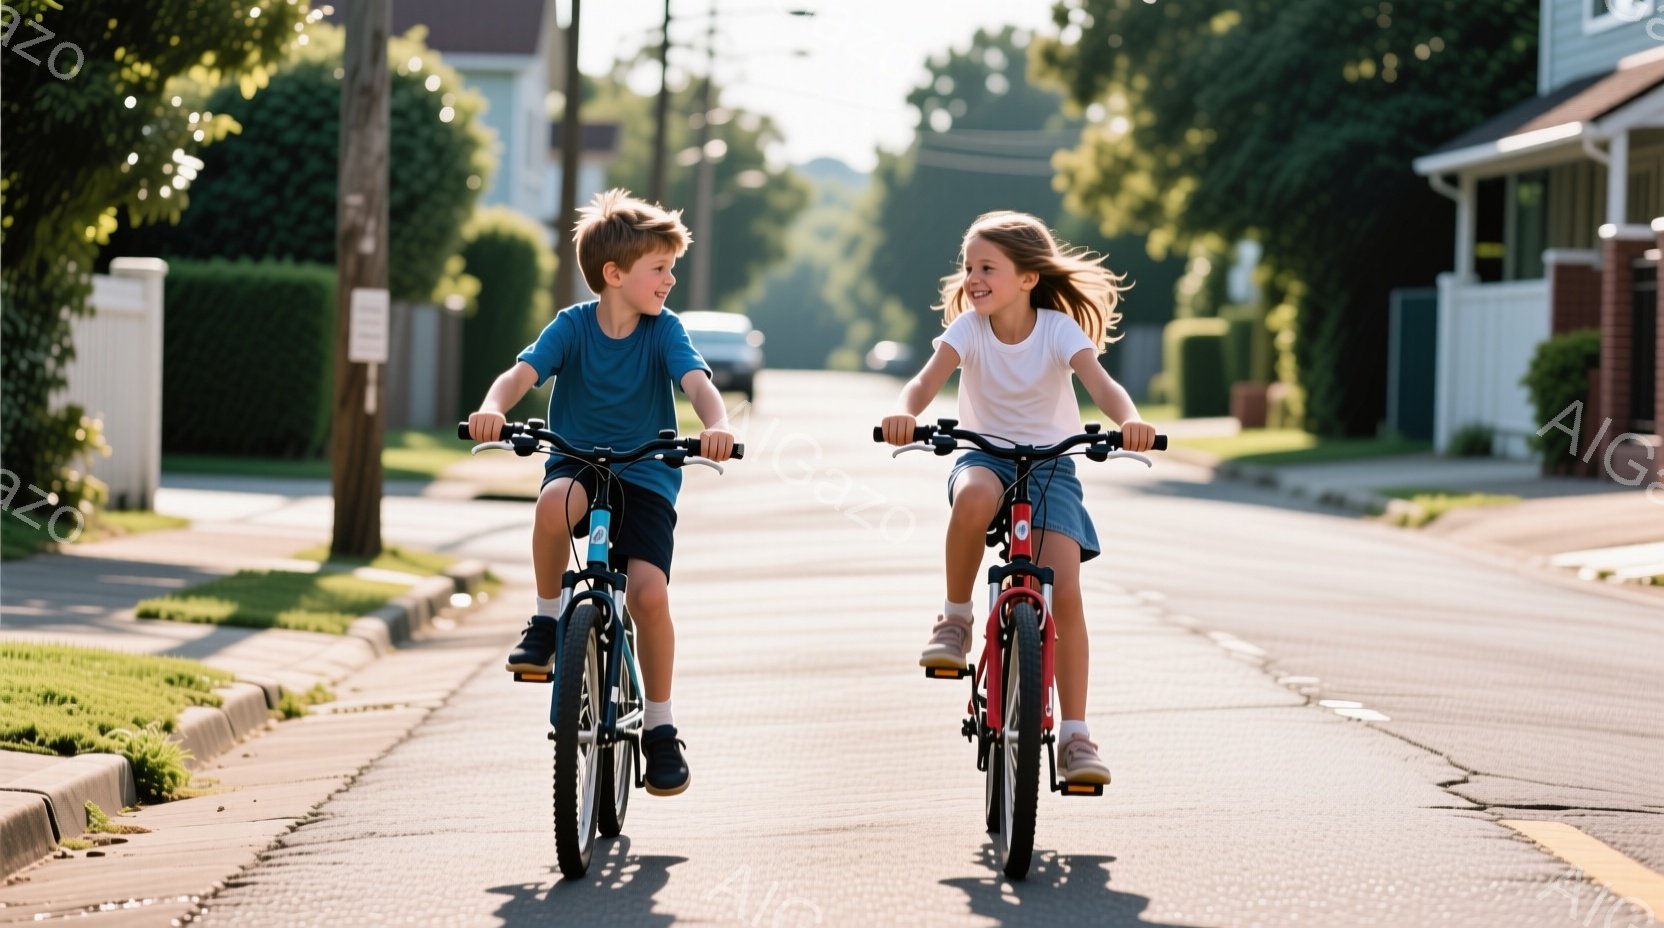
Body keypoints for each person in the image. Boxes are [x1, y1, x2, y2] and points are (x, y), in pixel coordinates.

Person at [466, 188, 735, 797]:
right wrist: (491, 408)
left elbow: (698, 384)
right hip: (578, 462)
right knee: (552, 504)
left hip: (645, 473)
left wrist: (715, 426)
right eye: (659, 269)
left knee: (647, 593)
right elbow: (521, 374)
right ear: (615, 275)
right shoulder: (571, 328)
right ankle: (544, 621)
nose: (669, 280)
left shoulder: (664, 331)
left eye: (671, 268)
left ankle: (662, 728)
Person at [878, 210, 1157, 785]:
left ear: (1028, 278)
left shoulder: (1057, 330)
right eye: (968, 267)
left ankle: (1076, 736)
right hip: (983, 455)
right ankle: (955, 620)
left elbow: (1102, 385)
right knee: (974, 497)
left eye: (988, 267)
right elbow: (926, 380)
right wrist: (906, 414)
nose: (973, 278)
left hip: (1053, 467)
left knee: (1066, 592)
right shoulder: (968, 329)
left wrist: (1131, 421)